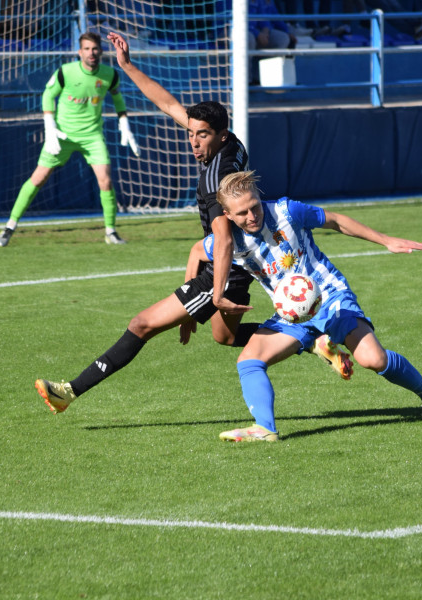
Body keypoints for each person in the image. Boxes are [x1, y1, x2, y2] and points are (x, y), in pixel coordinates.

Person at [32, 33, 354, 416]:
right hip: (237, 259)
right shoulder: (229, 140)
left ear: (217, 134)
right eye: (191, 133)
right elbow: (168, 104)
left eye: (201, 135)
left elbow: (221, 238)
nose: (193, 142)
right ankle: (313, 341)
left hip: (229, 265)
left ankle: (69, 391)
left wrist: (211, 293)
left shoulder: (212, 182)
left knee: (142, 324)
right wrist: (128, 66)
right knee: (224, 336)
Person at [193, 171, 422, 441]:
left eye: (254, 206)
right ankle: (265, 429)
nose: (252, 216)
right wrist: (189, 316)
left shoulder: (286, 211)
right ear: (227, 215)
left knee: (374, 360)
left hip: (330, 296)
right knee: (249, 361)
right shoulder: (226, 242)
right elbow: (196, 252)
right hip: (293, 315)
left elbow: (336, 221)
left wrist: (386, 240)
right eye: (242, 213)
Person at [0, 31, 139, 247]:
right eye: (87, 49)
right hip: (61, 136)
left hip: (92, 136)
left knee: (106, 180)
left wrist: (124, 122)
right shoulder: (66, 72)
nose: (91, 53)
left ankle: (110, 231)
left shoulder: (110, 74)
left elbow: (117, 97)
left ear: (100, 50)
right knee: (38, 178)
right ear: (79, 52)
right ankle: (9, 226)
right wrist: (50, 127)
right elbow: (47, 95)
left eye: (95, 48)